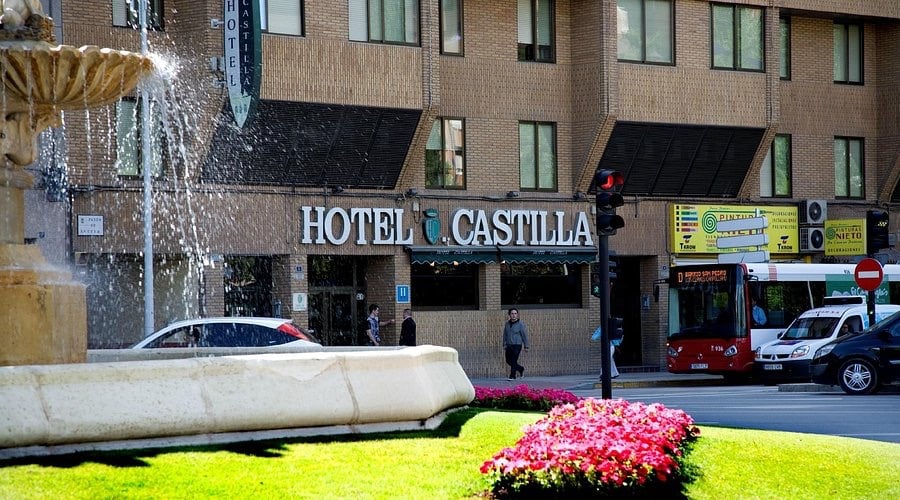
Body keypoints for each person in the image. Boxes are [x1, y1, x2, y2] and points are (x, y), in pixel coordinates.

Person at [502, 308, 529, 380]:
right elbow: (505, 334)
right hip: (509, 345)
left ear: (517, 315)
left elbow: (524, 335)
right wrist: (504, 344)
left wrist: (526, 346)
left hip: (517, 345)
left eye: (515, 313)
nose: (514, 315)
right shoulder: (507, 324)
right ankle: (520, 369)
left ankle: (512, 376)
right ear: (509, 315)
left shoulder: (521, 324)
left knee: (514, 360)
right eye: (512, 313)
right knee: (508, 361)